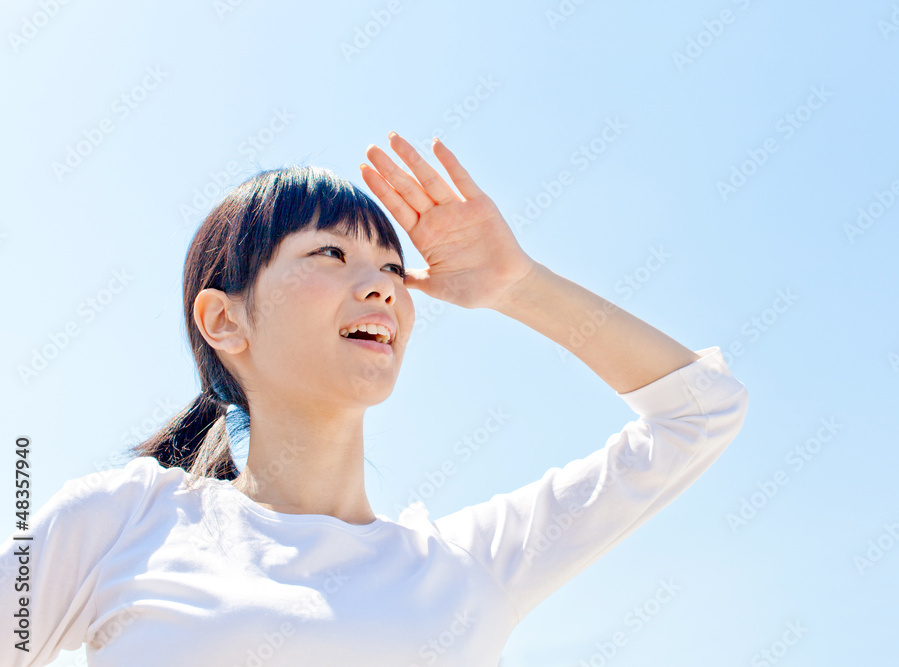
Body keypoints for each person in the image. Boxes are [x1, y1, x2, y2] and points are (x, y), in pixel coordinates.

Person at [0, 133, 750, 666]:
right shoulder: (124, 520)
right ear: (224, 319)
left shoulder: (467, 566)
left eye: (393, 265)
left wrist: (516, 284)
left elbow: (701, 410)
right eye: (331, 253)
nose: (381, 284)